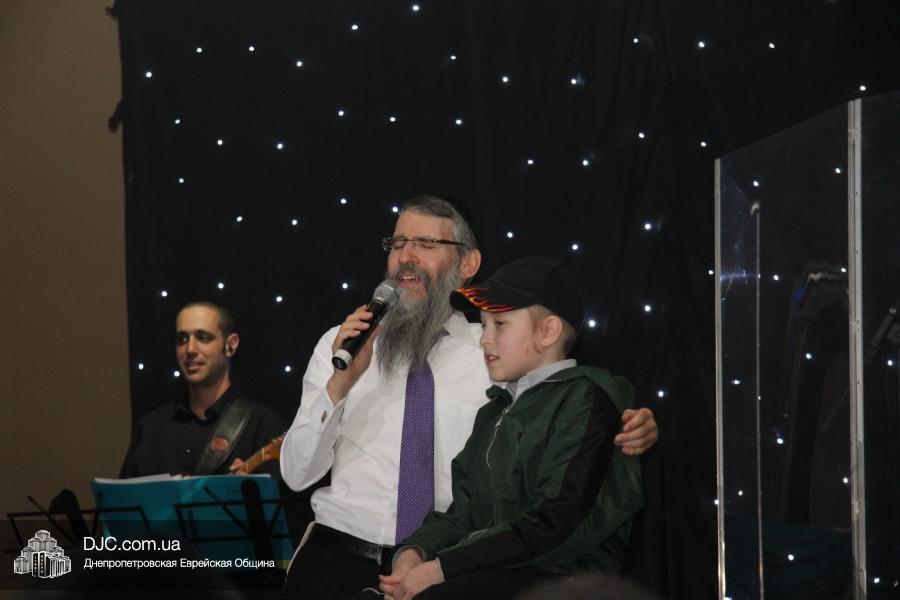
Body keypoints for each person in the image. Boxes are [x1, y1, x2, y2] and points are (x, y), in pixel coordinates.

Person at [280, 196, 657, 599]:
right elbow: (296, 474)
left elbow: (566, 429)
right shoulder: (342, 345)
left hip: (451, 572)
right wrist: (339, 384)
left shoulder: (500, 356)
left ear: (468, 264)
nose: (405, 257)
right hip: (336, 559)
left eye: (426, 244)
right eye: (398, 243)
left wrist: (629, 426)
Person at [367, 256, 643, 600]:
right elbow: (463, 515)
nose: (485, 339)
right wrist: (414, 552)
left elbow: (557, 521)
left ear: (549, 331)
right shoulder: (494, 411)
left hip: (559, 581)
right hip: (491, 571)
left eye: (500, 324)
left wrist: (443, 567)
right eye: (483, 325)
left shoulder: (585, 400)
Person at [120, 301, 285, 479]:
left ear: (231, 345)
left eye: (203, 338)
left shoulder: (262, 424)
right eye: (182, 339)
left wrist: (247, 489)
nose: (190, 349)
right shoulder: (151, 428)